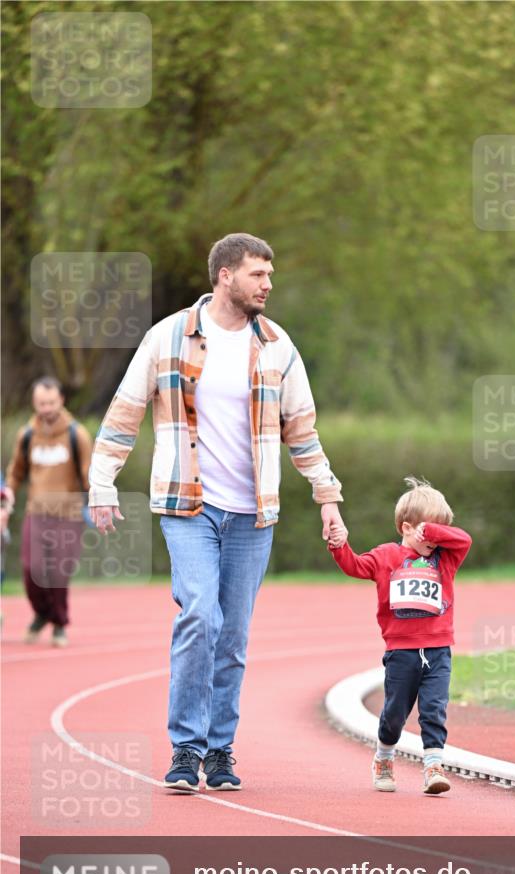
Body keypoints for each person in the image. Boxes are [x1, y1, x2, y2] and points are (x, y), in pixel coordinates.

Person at [88, 233, 345, 792]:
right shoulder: (167, 337)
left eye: (270, 275)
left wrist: (327, 498)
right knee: (200, 615)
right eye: (258, 274)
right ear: (225, 275)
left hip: (253, 516)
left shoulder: (279, 346)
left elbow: (302, 432)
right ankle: (185, 748)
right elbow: (125, 414)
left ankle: (220, 750)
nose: (268, 284)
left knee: (232, 638)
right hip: (188, 505)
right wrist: (102, 482)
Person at [328, 477, 472, 794]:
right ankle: (384, 756)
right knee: (394, 714)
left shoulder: (445, 559)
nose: (435, 539)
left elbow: (463, 540)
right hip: (401, 652)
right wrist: (339, 545)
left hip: (438, 650)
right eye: (427, 530)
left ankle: (433, 765)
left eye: (440, 531)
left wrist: (433, 531)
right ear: (406, 528)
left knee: (434, 709)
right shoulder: (386, 557)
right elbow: (355, 566)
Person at [4, 376, 92, 648]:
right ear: (35, 403)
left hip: (68, 514)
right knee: (32, 570)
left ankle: (58, 624)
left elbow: (88, 475)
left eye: (51, 402)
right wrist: (7, 495)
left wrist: (98, 502)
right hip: (36, 512)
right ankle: (43, 612)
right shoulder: (27, 434)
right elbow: (16, 473)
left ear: (61, 400)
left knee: (57, 573)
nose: (47, 408)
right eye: (41, 403)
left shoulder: (78, 435)